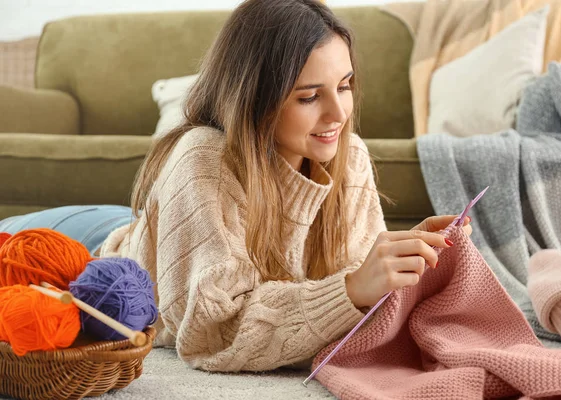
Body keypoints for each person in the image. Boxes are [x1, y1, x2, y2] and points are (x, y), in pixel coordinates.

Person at [0, 0, 471, 372]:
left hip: (171, 240)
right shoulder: (203, 158)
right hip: (88, 249)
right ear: (255, 99)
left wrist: (413, 259)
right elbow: (212, 335)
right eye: (309, 96)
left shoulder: (350, 154)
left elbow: (360, 302)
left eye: (344, 86)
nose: (338, 114)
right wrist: (350, 290)